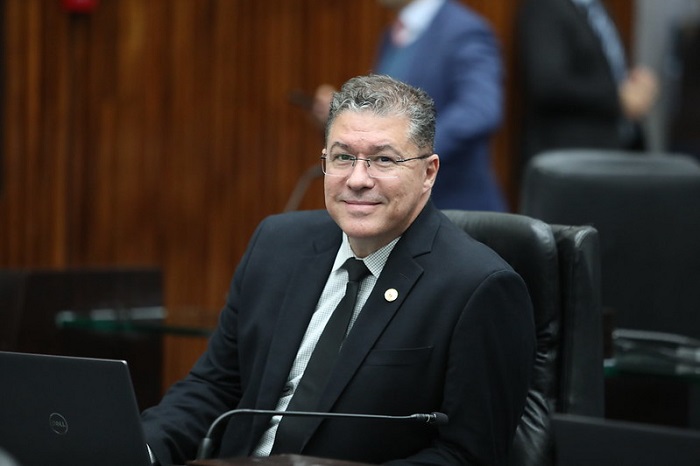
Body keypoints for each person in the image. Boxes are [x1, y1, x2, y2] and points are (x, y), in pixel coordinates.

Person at [142, 74, 535, 465]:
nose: (358, 180)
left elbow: (467, 455)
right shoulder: (276, 244)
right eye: (343, 157)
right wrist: (141, 449)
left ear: (428, 173)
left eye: (383, 160)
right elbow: (214, 386)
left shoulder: (478, 287)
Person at [313, 0, 507, 212]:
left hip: (454, 208)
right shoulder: (393, 33)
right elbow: (387, 110)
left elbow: (479, 111)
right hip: (399, 208)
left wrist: (407, 152)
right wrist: (341, 115)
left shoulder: (464, 30)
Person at [517, 0, 659, 166]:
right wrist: (617, 98)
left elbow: (602, 70)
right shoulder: (545, 6)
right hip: (570, 159)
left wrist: (633, 83)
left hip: (615, 150)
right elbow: (548, 83)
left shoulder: (596, 8)